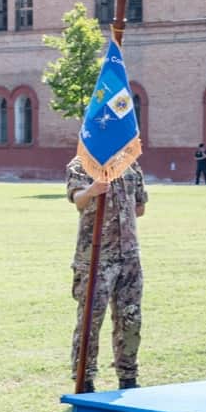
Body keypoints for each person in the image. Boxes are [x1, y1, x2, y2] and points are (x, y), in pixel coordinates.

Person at [66, 157, 147, 393]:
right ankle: (85, 379)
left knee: (130, 318)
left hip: (129, 256)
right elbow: (78, 200)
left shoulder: (131, 164)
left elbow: (140, 206)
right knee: (90, 319)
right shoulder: (81, 164)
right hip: (95, 257)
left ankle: (128, 377)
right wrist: (92, 191)